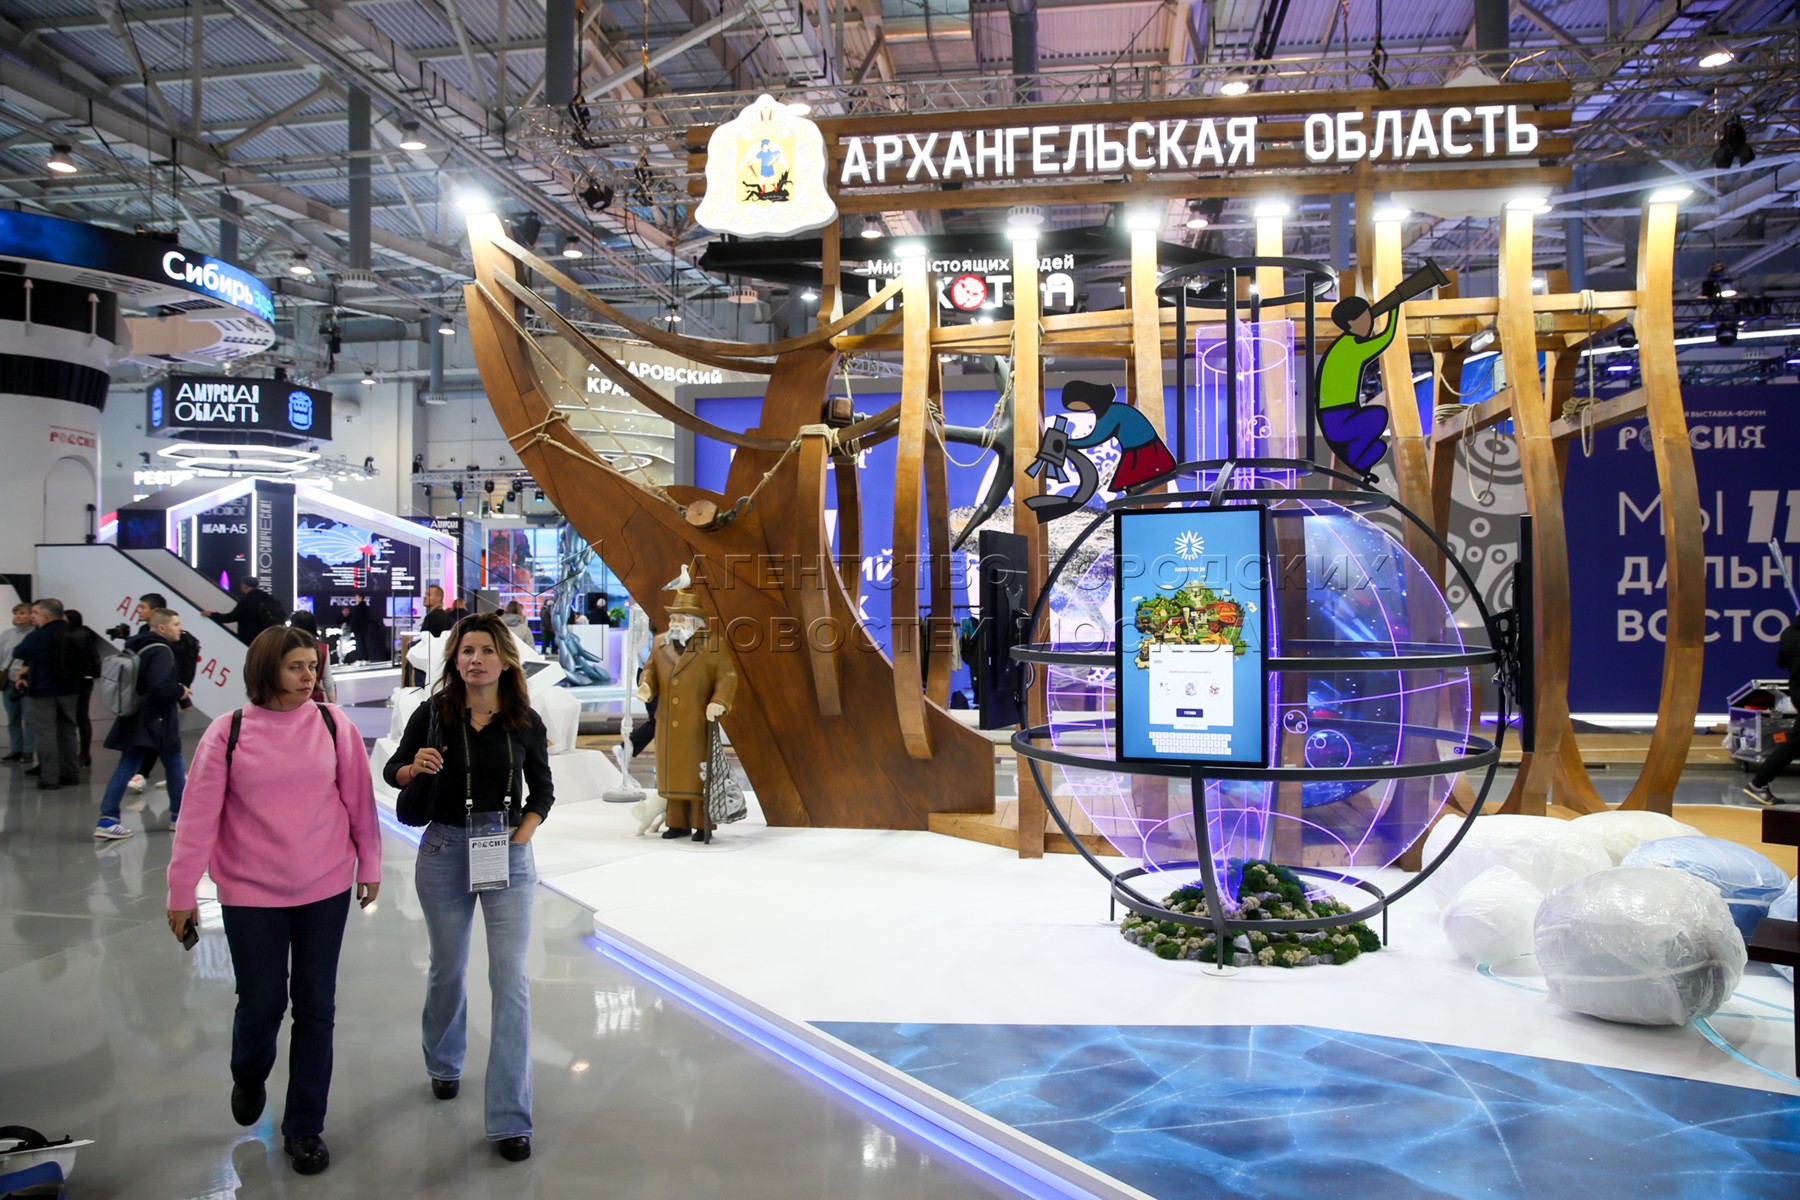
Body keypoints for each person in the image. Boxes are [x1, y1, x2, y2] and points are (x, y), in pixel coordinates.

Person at [165, 626, 380, 1177]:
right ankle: (248, 1072)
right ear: (267, 670)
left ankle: (305, 1126)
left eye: (313, 665)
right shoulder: (228, 732)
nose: (310, 676)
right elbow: (197, 818)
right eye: (296, 667)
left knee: (316, 1007)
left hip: (324, 886)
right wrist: (181, 891)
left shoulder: (333, 725)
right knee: (261, 1003)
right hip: (250, 892)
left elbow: (359, 802)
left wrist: (371, 864)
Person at [384, 613, 553, 1163]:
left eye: (485, 650)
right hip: (444, 849)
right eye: (466, 651)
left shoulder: (524, 720)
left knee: (511, 980)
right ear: (454, 660)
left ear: (505, 659)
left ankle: (510, 1119)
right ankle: (443, 1061)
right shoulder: (434, 712)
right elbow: (393, 771)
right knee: (448, 967)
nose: (474, 659)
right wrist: (413, 767)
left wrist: (519, 840)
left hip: (507, 851)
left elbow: (542, 791)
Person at [636, 588, 736, 843]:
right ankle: (676, 822)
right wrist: (646, 686)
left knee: (698, 776)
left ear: (695, 621)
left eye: (681, 618)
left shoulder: (712, 645)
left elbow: (727, 677)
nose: (675, 623)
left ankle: (702, 824)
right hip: (667, 723)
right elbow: (650, 670)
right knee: (672, 774)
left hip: (696, 723)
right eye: (673, 618)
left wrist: (719, 701)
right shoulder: (660, 643)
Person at [95, 609, 190, 840]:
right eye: (176, 624)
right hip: (157, 718)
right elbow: (159, 686)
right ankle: (179, 816)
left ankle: (108, 819)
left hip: (135, 715)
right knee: (174, 763)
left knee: (128, 764)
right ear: (162, 628)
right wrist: (179, 690)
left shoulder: (136, 645)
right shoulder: (162, 650)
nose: (180, 629)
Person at [10, 598, 82, 790]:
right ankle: (71, 773)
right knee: (68, 732)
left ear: (47, 616)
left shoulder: (38, 636)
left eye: (35, 613)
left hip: (43, 691)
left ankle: (50, 777)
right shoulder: (75, 633)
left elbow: (19, 652)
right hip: (70, 690)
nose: (32, 617)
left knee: (45, 734)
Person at [1059, 379, 1177, 493]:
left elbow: (1094, 439)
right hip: (1139, 449)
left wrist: (1066, 442)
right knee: (1126, 482)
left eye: (1079, 405)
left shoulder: (1112, 413)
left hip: (1144, 452)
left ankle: (1137, 496)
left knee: (1127, 481)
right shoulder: (1114, 410)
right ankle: (1134, 496)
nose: (1080, 409)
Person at [1744, 610, 1800, 806]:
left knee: (1796, 743)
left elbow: (1781, 661)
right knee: (1795, 744)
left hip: (1797, 692)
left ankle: (1759, 782)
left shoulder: (1789, 633)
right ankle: (1759, 782)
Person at [62, 610, 108, 769]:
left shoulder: (75, 637)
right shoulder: (85, 635)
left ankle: (83, 753)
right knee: (81, 717)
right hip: (84, 680)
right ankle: (83, 753)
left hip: (79, 681)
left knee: (80, 717)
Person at [0, 602, 35, 763]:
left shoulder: (35, 634)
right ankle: (16, 749)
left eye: (22, 613)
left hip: (27, 680)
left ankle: (28, 750)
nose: (18, 616)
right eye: (16, 613)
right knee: (12, 718)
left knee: (28, 718)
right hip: (9, 680)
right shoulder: (6, 634)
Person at [203, 577, 286, 644]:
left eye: (242, 586)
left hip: (250, 639)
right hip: (268, 638)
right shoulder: (269, 598)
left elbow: (231, 617)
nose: (241, 588)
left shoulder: (248, 600)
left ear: (245, 586)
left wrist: (212, 614)